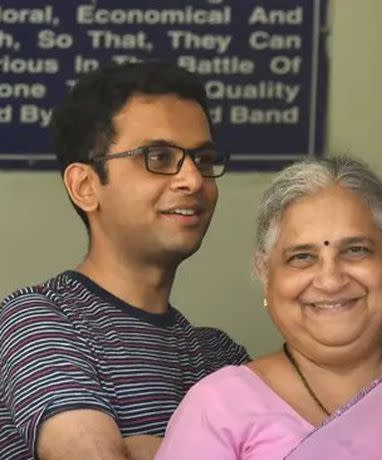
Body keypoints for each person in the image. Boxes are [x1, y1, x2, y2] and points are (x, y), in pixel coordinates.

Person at [0, 62, 249, 460]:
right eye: (159, 157)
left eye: (203, 159)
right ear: (85, 186)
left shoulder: (219, 358)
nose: (193, 180)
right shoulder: (37, 319)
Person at [154, 156, 382, 459]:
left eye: (356, 250)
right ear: (265, 274)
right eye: (302, 257)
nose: (330, 280)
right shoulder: (218, 407)